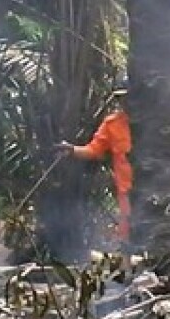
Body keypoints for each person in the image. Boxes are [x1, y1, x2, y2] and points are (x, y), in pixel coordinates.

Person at [57, 88, 133, 246]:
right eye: (120, 98)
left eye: (128, 97)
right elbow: (93, 149)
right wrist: (72, 150)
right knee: (127, 232)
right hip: (127, 191)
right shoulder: (112, 124)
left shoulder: (153, 123)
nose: (124, 102)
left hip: (155, 189)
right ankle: (128, 268)